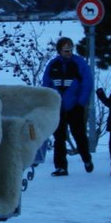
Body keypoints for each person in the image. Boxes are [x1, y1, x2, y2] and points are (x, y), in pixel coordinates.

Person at [42, 36, 93, 176]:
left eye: (70, 49)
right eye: (66, 50)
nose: (69, 53)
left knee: (79, 135)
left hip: (74, 106)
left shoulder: (79, 63)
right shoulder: (53, 64)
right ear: (59, 50)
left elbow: (87, 84)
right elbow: (46, 84)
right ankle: (61, 167)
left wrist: (80, 103)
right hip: (57, 107)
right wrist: (49, 101)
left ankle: (86, 159)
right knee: (59, 137)